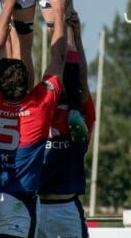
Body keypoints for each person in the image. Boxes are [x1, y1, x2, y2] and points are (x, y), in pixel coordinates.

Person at [0, 0, 68, 238]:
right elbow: (58, 59)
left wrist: (8, 4)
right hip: (17, 201)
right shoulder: (39, 107)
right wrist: (59, 12)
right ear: (29, 86)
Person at [37, 13, 95, 238]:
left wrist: (76, 36)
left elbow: (81, 79)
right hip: (38, 205)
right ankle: (56, 23)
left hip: (68, 207)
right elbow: (53, 69)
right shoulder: (40, 114)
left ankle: (59, 23)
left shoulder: (79, 117)